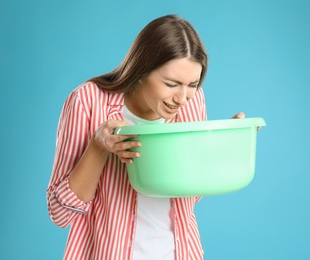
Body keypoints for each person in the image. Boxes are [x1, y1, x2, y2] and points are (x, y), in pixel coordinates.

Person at [47, 14, 245, 260]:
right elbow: (60, 214)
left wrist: (226, 144)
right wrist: (98, 147)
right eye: (171, 84)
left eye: (193, 84)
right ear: (141, 71)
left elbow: (189, 195)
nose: (182, 98)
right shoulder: (88, 102)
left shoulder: (192, 104)